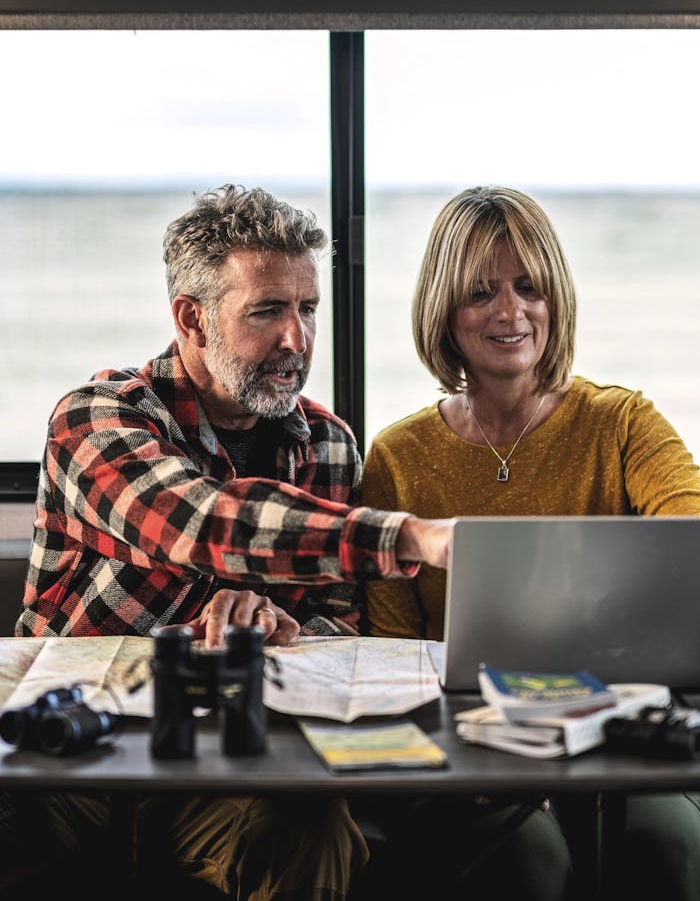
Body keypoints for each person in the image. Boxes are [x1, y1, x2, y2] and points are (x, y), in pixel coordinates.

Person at [8, 183, 452, 901]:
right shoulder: (97, 417)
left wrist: (287, 628)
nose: (297, 340)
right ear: (192, 317)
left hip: (227, 759)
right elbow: (200, 522)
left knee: (314, 828)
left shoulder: (331, 447)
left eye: (308, 309)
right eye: (268, 311)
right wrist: (410, 535)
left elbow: (339, 618)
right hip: (77, 746)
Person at [359, 184, 700, 901]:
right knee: (526, 861)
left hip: (636, 742)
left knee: (658, 845)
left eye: (529, 288)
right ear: (444, 310)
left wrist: (631, 592)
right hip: (478, 751)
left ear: (556, 299)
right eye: (481, 292)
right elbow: (394, 654)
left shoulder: (622, 422)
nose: (511, 312)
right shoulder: (398, 457)